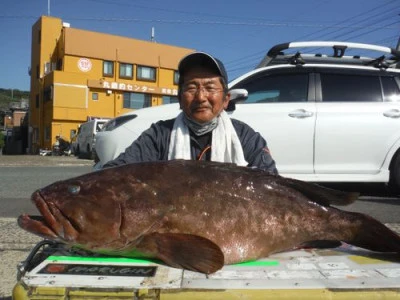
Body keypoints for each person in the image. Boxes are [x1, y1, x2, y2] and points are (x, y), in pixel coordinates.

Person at [103, 51, 278, 174]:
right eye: (191, 87)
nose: (201, 97)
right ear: (179, 99)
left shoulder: (245, 137)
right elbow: (117, 172)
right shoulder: (160, 135)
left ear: (226, 99)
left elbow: (271, 182)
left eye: (210, 87)